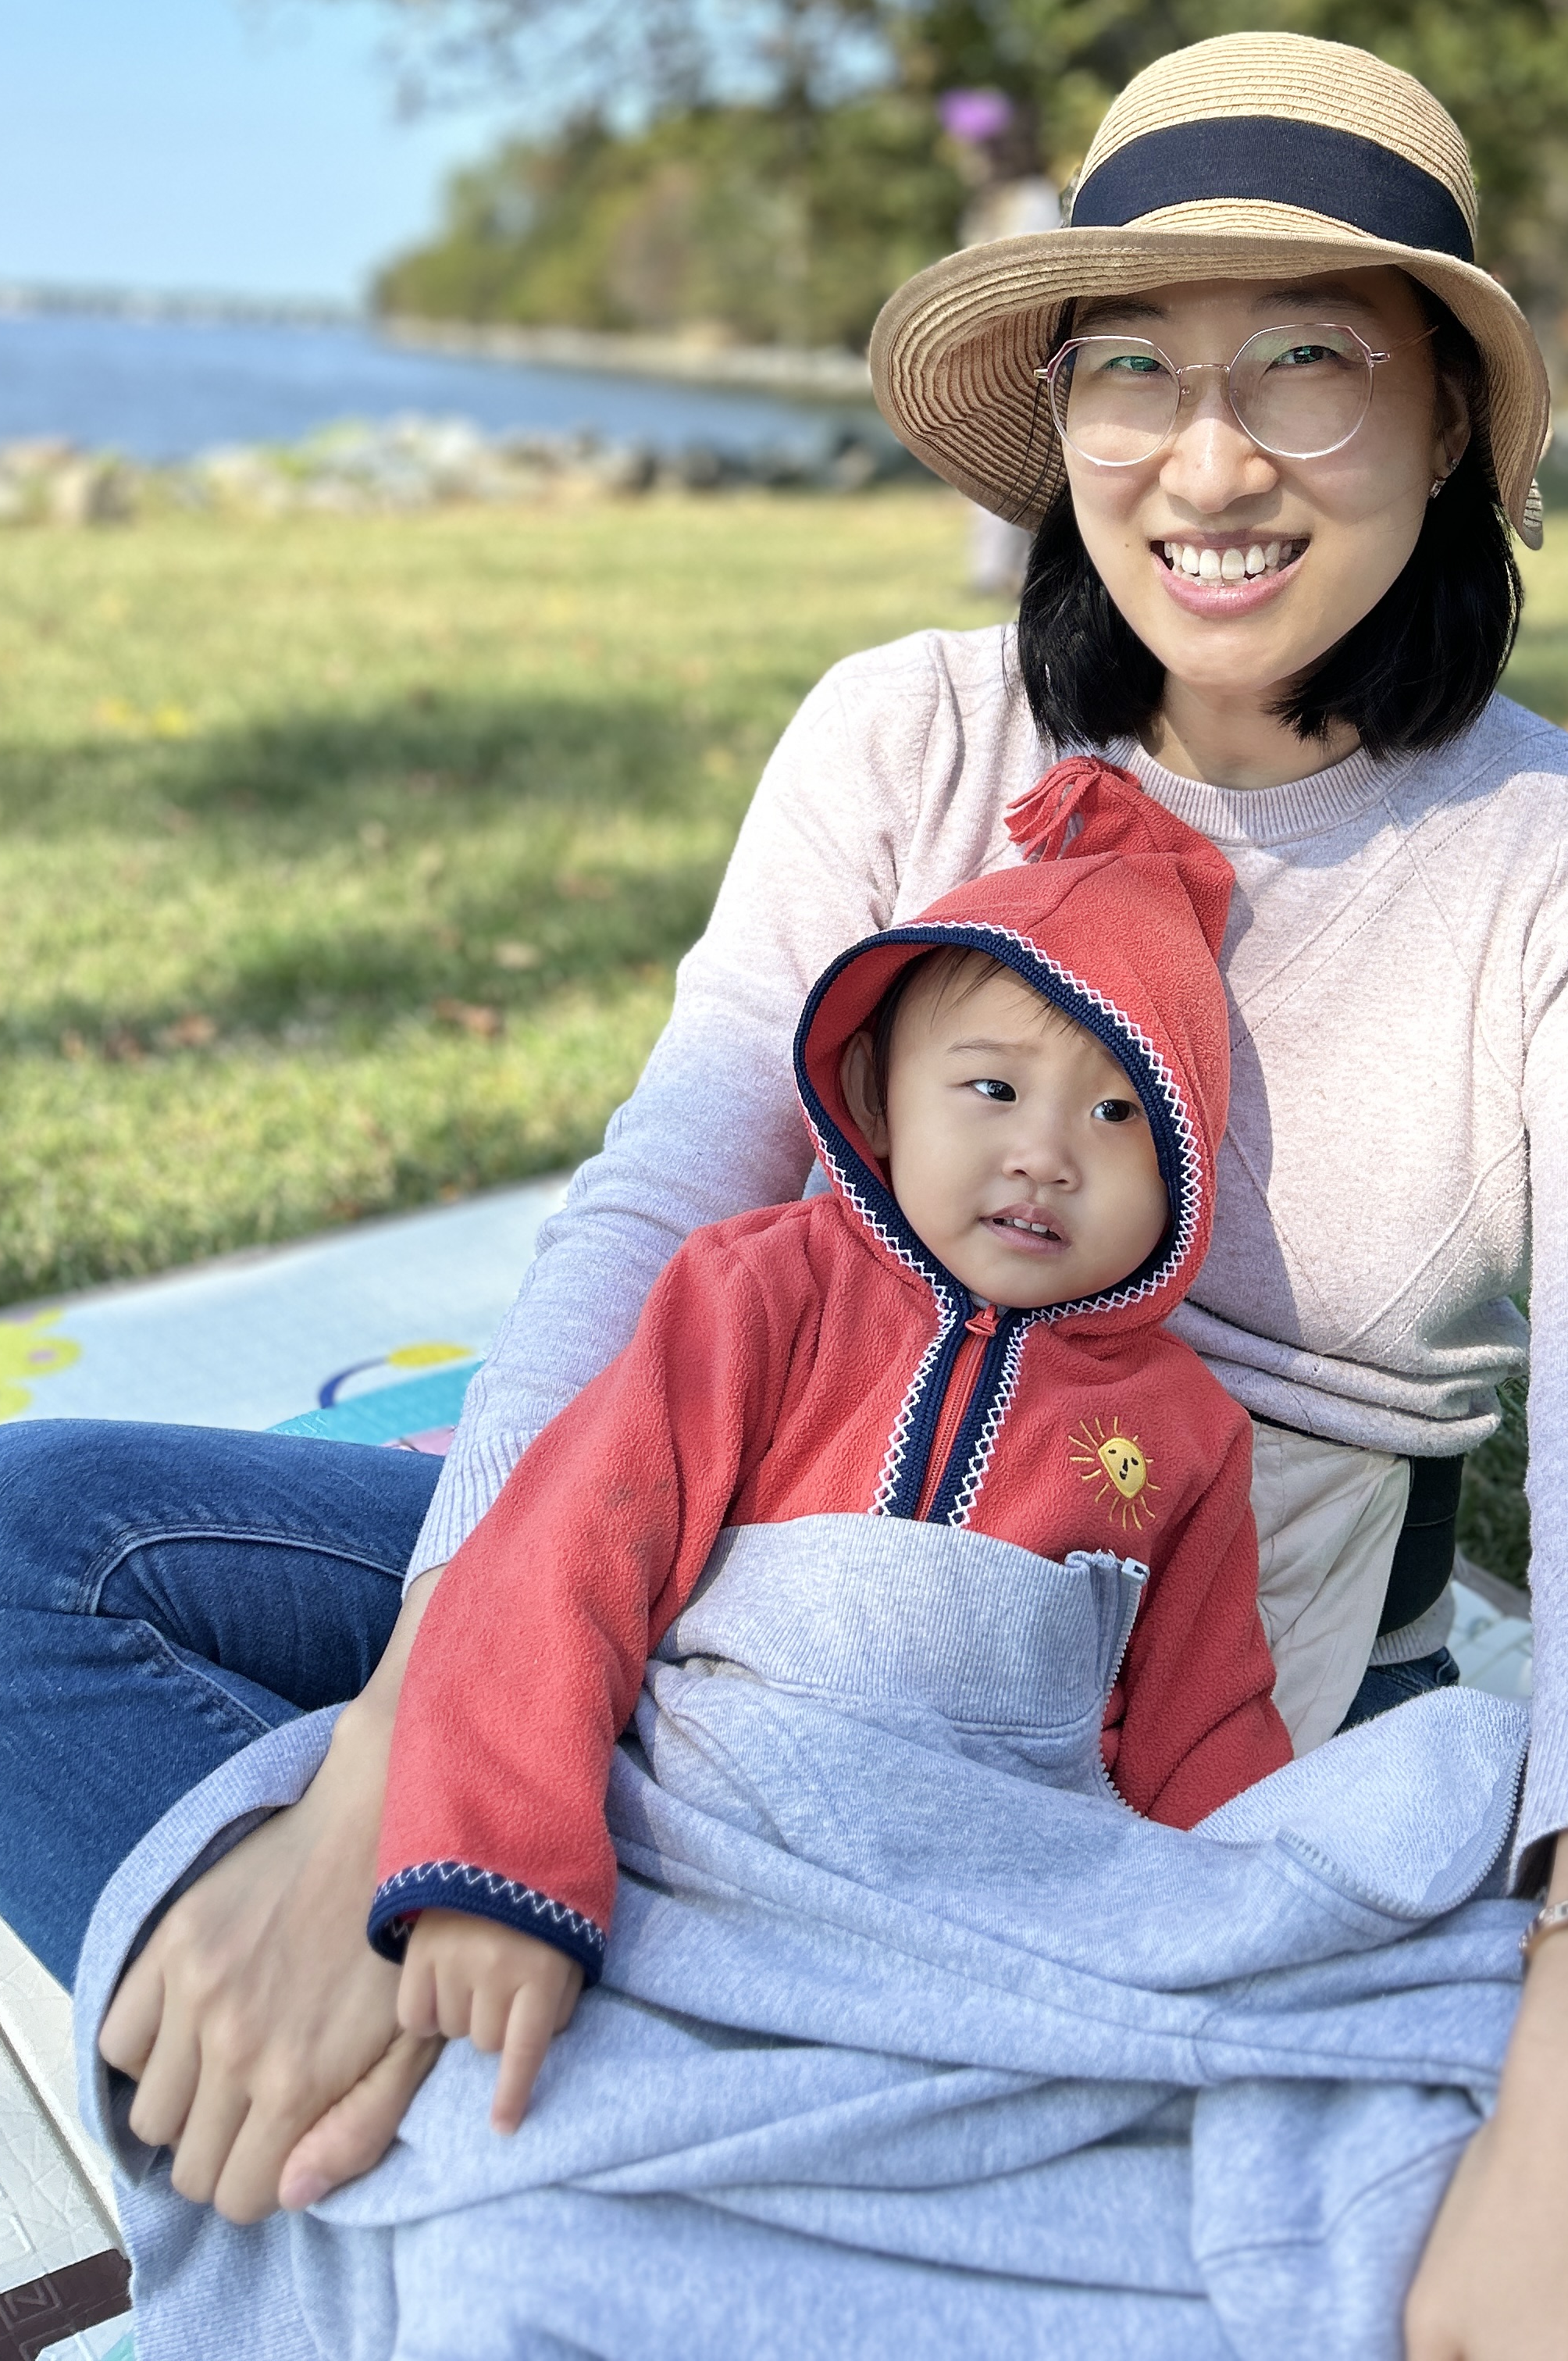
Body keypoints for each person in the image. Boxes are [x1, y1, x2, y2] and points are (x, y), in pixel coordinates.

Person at [0, 30, 1568, 2358]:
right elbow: (670, 1189)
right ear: (1058, 416)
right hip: (734, 1523)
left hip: (1166, 1704)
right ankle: (573, 2131)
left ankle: (572, 2195)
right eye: (1133, 366)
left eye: (1308, 362)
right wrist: (411, 1750)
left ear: (1450, 420)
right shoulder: (908, 733)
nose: (1210, 458)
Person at [373, 758, 1290, 2137]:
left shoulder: (1184, 1432)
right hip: (711, 1831)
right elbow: (568, 1556)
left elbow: (1203, 1725)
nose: (1047, 1155)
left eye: (1119, 1113)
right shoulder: (759, 1294)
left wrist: (1256, 1947)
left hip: (1002, 1897)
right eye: (992, 1087)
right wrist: (498, 1860)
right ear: (876, 1094)